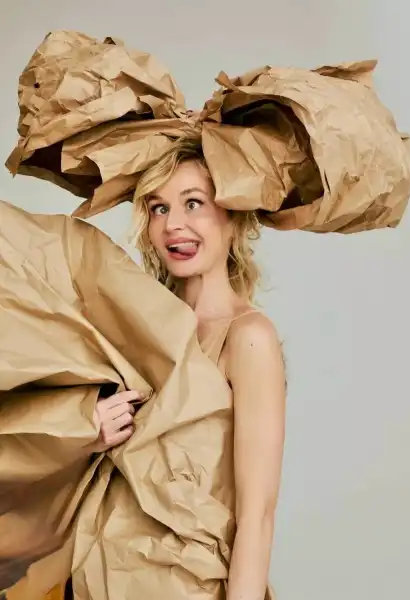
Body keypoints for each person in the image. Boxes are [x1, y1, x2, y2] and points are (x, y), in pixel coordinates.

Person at [88, 134, 287, 600]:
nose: (173, 224)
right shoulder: (132, 328)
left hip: (190, 587)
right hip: (98, 580)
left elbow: (257, 515)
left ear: (233, 214)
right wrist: (85, 432)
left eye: (193, 203)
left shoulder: (248, 338)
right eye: (159, 208)